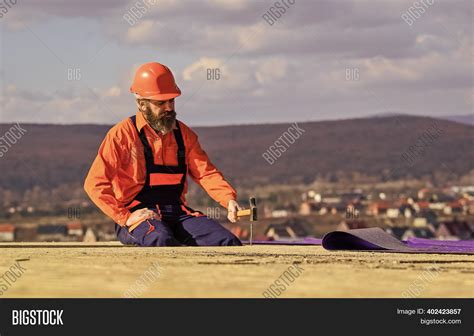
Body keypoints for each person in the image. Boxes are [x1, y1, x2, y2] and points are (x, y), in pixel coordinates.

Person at [84, 62, 242, 247]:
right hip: (139, 217)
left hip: (177, 214)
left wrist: (228, 199)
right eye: (161, 103)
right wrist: (125, 217)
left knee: (227, 242)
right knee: (160, 240)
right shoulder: (121, 135)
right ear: (141, 104)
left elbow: (206, 173)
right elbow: (94, 184)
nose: (168, 107)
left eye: (172, 101)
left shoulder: (185, 135)